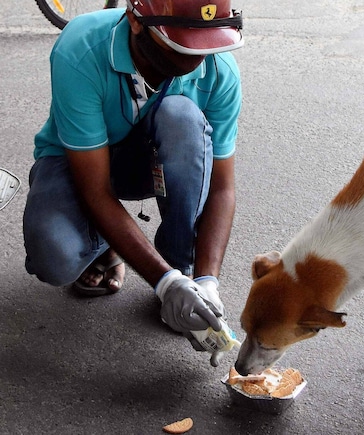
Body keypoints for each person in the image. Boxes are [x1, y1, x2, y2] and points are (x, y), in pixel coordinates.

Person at [23, 0, 243, 361]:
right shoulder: (81, 48)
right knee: (55, 258)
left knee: (182, 118)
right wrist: (164, 282)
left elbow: (222, 187)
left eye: (204, 42)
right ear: (135, 22)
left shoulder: (220, 70)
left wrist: (207, 281)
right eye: (180, 42)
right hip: (78, 165)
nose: (194, 59)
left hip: (151, 166)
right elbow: (95, 189)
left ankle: (177, 262)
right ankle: (114, 247)